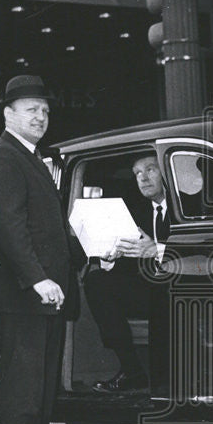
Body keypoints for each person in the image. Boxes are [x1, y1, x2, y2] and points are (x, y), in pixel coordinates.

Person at [0, 75, 87, 424]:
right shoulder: (1, 158)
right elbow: (8, 228)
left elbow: (51, 229)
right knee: (23, 387)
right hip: (23, 295)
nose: (40, 117)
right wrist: (37, 278)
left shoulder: (29, 157)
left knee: (40, 387)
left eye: (44, 110)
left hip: (43, 294)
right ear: (8, 115)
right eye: (30, 110)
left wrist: (89, 255)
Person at [83, 154, 169, 394]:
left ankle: (165, 381)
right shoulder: (136, 212)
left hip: (181, 289)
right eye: (137, 173)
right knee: (97, 280)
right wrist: (110, 258)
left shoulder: (187, 209)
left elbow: (199, 252)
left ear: (166, 174)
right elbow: (129, 259)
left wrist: (157, 249)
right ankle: (132, 370)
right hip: (149, 291)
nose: (143, 178)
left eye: (150, 169)